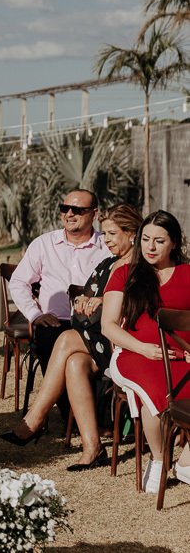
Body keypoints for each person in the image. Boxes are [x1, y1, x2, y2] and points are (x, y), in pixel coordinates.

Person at [0, 204, 143, 470]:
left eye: (112, 234)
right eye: (105, 233)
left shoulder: (142, 266)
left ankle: (35, 419)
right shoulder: (107, 264)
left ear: (132, 233)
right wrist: (83, 302)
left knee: (66, 339)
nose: (107, 240)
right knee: (74, 362)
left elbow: (140, 308)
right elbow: (85, 295)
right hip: (102, 341)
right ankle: (92, 447)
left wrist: (105, 302)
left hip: (130, 344)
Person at [103, 210, 190, 492]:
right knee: (155, 392)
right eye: (146, 239)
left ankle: (185, 463)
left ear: (174, 243)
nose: (150, 247)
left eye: (159, 241)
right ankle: (158, 458)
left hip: (181, 355)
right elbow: (108, 325)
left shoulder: (188, 274)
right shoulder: (125, 273)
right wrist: (143, 348)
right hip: (135, 354)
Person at [9, 189, 111, 418]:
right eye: (65, 208)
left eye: (78, 210)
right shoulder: (43, 244)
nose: (70, 214)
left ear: (94, 214)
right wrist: (35, 315)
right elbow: (18, 283)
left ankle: (94, 413)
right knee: (46, 339)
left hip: (98, 324)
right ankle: (71, 414)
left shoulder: (108, 245)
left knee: (86, 356)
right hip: (57, 322)